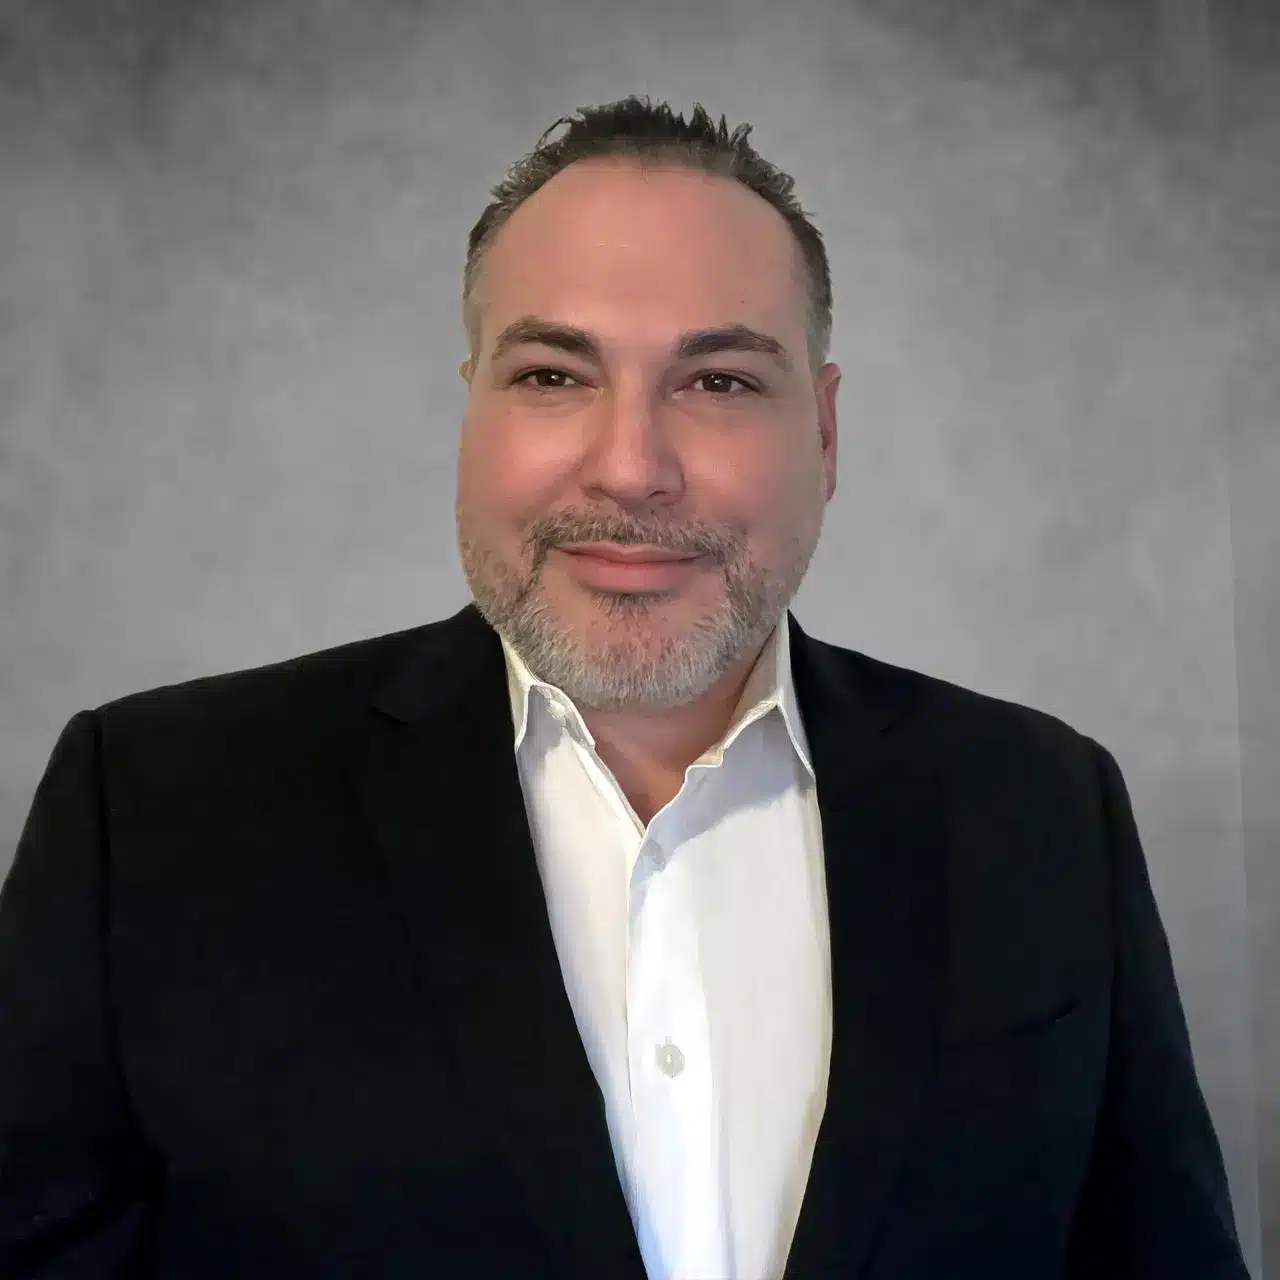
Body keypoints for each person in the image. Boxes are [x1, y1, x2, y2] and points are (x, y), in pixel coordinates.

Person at [0, 94, 1251, 1280]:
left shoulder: (1041, 808)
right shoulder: (160, 811)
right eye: (552, 374)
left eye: (717, 380)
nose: (630, 466)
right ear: (471, 412)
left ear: (821, 434)